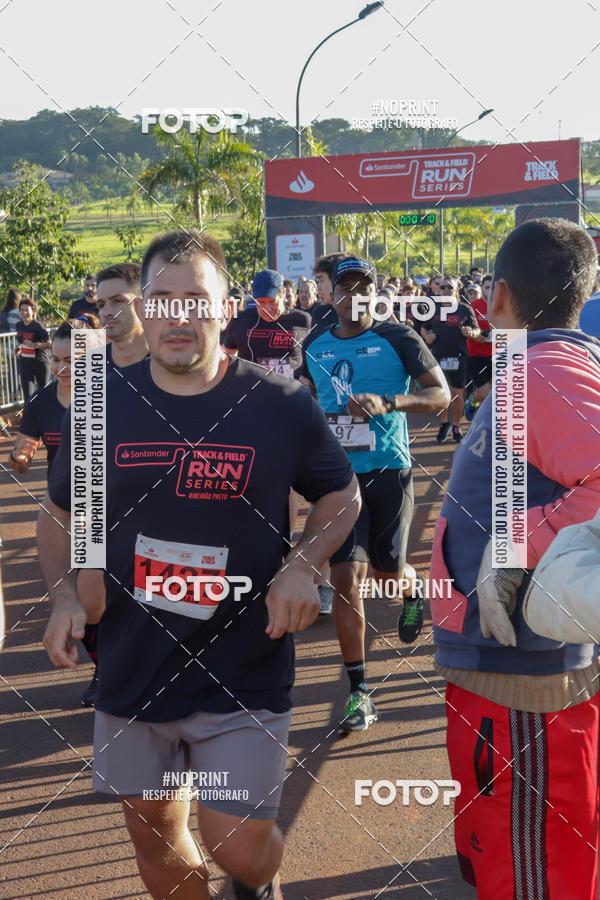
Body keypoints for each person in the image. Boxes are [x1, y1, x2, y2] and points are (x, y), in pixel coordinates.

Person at [39, 229, 359, 900]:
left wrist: (303, 565)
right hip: (132, 667)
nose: (176, 314)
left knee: (237, 847)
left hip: (244, 664)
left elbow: (340, 492)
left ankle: (254, 880)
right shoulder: (100, 407)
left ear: (224, 308)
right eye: (161, 299)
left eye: (195, 298)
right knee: (153, 834)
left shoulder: (278, 404)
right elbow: (63, 513)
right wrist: (65, 594)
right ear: (140, 310)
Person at [431, 218, 600, 900]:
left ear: (498, 298)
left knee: (533, 873)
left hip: (526, 686)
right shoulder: (548, 363)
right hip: (515, 674)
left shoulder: (543, 367)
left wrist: (514, 546)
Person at [301, 255, 450, 731]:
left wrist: (389, 402)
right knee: (346, 578)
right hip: (338, 481)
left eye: (364, 287)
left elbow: (441, 394)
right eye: (345, 288)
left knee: (385, 572)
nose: (354, 296)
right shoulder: (314, 345)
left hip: (388, 470)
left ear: (375, 292)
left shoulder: (398, 337)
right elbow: (303, 401)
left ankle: (411, 589)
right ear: (332, 295)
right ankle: (359, 691)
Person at [10, 315, 104, 705]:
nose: (64, 369)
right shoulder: (42, 402)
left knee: (117, 594)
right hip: (70, 513)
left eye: (75, 360)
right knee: (88, 597)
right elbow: (24, 450)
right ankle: (106, 670)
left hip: (114, 508)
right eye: (58, 360)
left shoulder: (115, 396)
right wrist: (19, 457)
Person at [419, 276, 478, 443]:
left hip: (459, 357)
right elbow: (424, 328)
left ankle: (456, 425)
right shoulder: (433, 308)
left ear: (456, 290)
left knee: (457, 395)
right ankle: (444, 422)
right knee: (440, 393)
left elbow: (477, 330)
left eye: (449, 287)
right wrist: (427, 337)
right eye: (443, 287)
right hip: (437, 356)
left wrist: (471, 333)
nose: (445, 290)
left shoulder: (465, 309)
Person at [223, 270, 310, 379]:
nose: (267, 309)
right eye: (261, 302)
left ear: (283, 293)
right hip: (253, 393)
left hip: (291, 393)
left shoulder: (303, 320)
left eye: (272, 301)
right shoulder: (240, 320)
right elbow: (225, 359)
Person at [96, 263, 148, 370]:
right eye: (101, 305)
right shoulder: (90, 367)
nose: (106, 312)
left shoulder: (170, 361)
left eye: (117, 301)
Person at [462, 282, 493, 420]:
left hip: (499, 354)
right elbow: (466, 328)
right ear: (482, 289)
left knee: (499, 392)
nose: (491, 290)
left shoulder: (504, 305)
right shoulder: (473, 307)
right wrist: (475, 334)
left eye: (493, 287)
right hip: (476, 355)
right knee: (484, 393)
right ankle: (473, 401)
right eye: (487, 287)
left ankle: (491, 421)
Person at [15, 297, 51, 401]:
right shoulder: (19, 325)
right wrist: (19, 348)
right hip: (25, 363)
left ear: (33, 311)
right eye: (22, 310)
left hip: (40, 363)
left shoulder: (38, 326)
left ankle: (45, 416)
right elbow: (22, 342)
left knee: (43, 394)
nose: (24, 312)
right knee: (28, 396)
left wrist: (35, 345)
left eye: (27, 310)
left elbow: (49, 344)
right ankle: (29, 416)